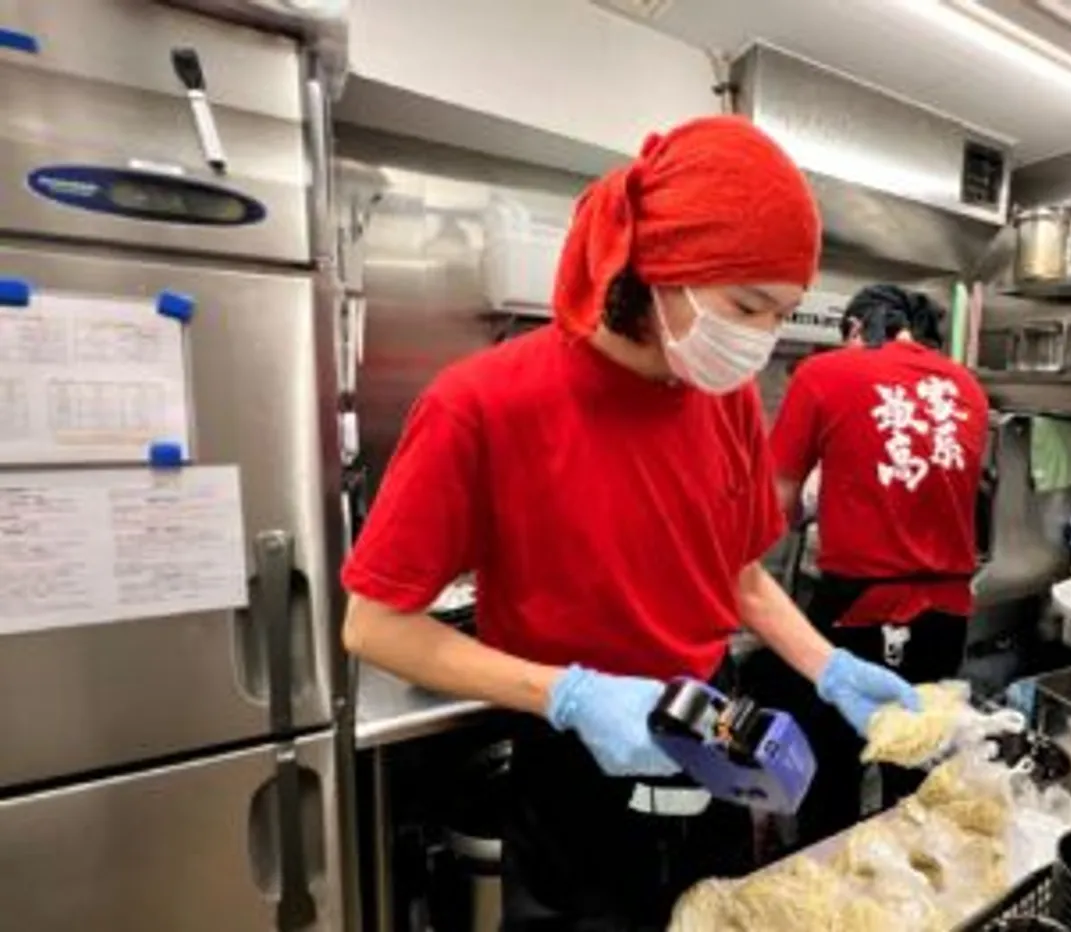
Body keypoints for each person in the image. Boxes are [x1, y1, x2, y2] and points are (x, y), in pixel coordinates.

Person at [340, 116, 920, 931]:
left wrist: (828, 667)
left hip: (714, 741)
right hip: (575, 769)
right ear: (659, 268)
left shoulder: (726, 401)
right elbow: (372, 626)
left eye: (781, 315)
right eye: (747, 306)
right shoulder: (481, 405)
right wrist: (571, 695)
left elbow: (740, 576)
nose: (761, 340)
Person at [752, 284, 990, 848]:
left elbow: (774, 506)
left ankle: (834, 883)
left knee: (833, 768)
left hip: (857, 614)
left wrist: (809, 507)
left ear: (857, 328)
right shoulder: (967, 386)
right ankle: (910, 877)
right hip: (946, 616)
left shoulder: (823, 373)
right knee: (917, 765)